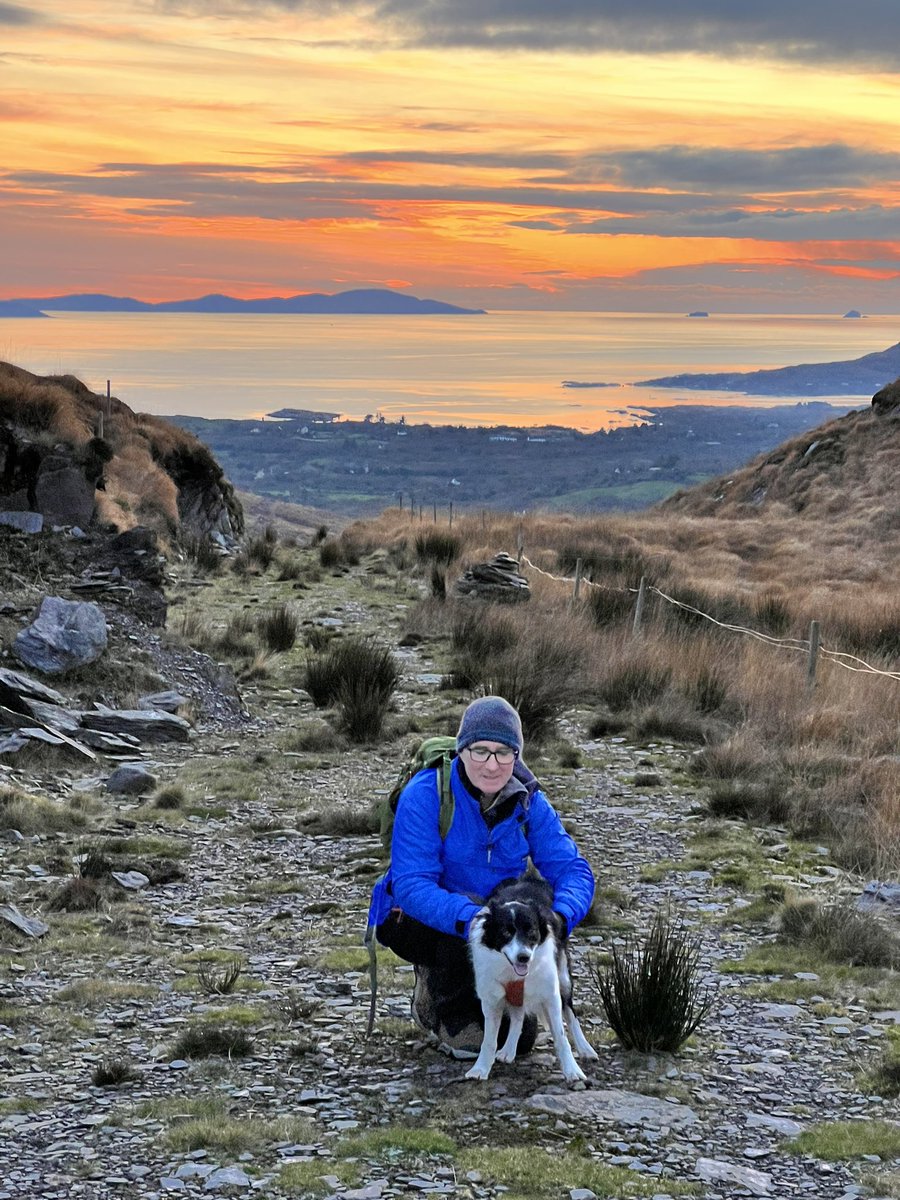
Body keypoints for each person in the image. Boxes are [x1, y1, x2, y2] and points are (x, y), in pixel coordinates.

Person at [367, 696, 595, 1059]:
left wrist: (560, 918)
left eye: (504, 752)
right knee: (460, 954)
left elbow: (572, 869)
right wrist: (473, 918)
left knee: (519, 1040)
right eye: (480, 751)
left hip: (499, 923)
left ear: (517, 755)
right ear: (462, 750)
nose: (492, 764)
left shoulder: (529, 801)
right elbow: (412, 885)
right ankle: (440, 1003)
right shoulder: (425, 794)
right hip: (420, 922)